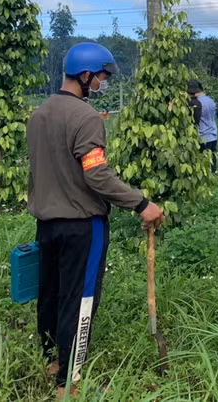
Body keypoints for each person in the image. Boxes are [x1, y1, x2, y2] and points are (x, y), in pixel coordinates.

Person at [27, 43, 165, 399]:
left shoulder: (39, 115)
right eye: (101, 77)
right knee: (81, 297)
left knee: (51, 293)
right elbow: (97, 176)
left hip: (47, 224)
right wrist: (141, 203)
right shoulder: (85, 117)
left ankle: (52, 361)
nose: (102, 83)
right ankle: (68, 384)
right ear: (85, 76)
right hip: (81, 224)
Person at [188, 80, 218, 173]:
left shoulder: (198, 103)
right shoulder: (211, 100)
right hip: (213, 135)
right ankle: (214, 174)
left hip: (203, 136)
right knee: (212, 156)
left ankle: (205, 176)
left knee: (203, 156)